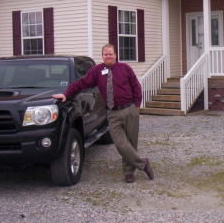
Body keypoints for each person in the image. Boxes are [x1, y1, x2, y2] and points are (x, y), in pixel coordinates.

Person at [52, 44, 154, 183]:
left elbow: (136, 86)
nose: (108, 56)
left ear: (115, 55)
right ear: (102, 56)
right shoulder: (97, 71)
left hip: (129, 110)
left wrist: (136, 106)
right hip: (112, 113)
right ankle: (143, 164)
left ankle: (129, 172)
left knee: (131, 142)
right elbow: (81, 83)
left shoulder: (125, 68)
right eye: (105, 54)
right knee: (121, 144)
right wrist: (66, 94)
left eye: (110, 54)